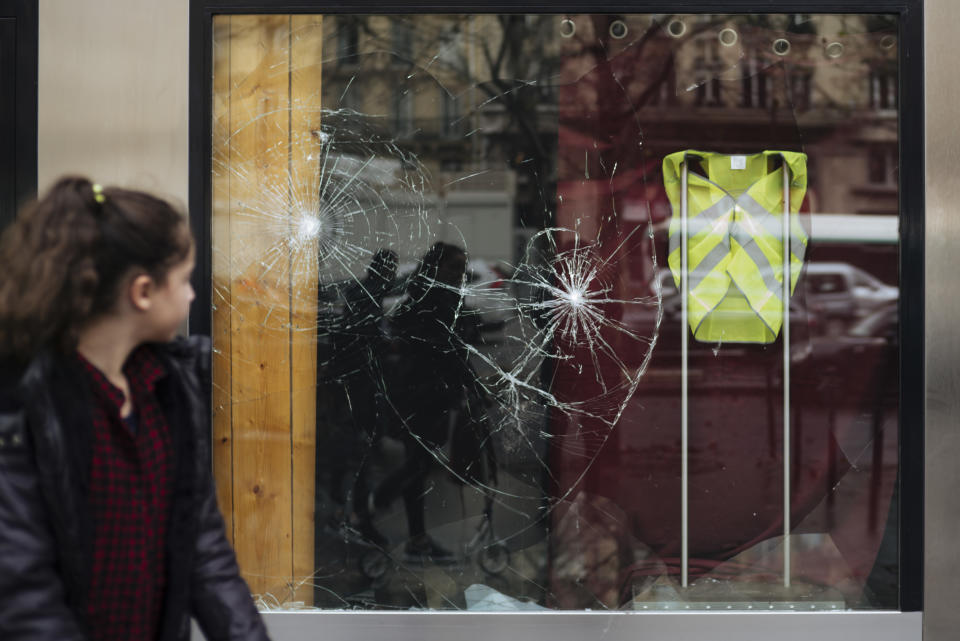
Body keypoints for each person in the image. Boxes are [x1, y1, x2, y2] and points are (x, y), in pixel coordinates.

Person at [0, 177, 269, 640]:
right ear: (142, 291)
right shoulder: (24, 404)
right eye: (184, 280)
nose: (192, 296)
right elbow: (23, 591)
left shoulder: (171, 391)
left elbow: (205, 552)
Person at [372, 242, 483, 563]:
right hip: (425, 393)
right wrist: (473, 385)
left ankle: (412, 534)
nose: (459, 275)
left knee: (418, 463)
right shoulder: (437, 299)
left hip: (420, 391)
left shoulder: (420, 295)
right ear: (435, 267)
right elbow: (450, 350)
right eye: (453, 268)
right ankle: (376, 507)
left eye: (462, 269)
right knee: (418, 463)